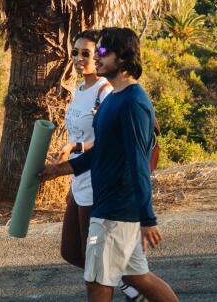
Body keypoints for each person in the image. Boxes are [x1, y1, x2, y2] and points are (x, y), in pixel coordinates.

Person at [41, 28, 179, 302]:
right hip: (108, 206)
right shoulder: (114, 99)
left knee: (97, 283)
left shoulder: (133, 103)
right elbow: (101, 152)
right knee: (138, 277)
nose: (97, 57)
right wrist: (58, 171)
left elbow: (139, 163)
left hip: (116, 210)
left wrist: (147, 218)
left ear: (124, 57)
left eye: (103, 51)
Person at [55, 31, 145, 301]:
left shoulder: (107, 92)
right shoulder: (79, 90)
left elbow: (110, 143)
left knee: (94, 264)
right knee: (71, 252)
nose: (80, 58)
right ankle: (129, 285)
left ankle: (132, 287)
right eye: (75, 52)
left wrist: (75, 149)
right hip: (79, 180)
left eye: (87, 53)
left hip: (98, 180)